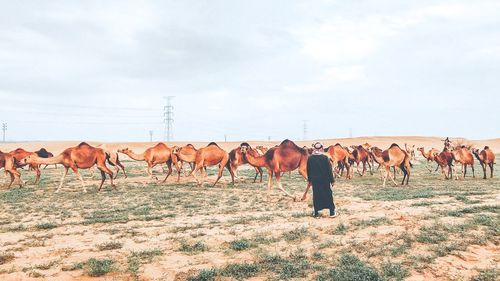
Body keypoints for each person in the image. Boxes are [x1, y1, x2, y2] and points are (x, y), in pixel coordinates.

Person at [301, 142, 337, 218]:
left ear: (314, 148)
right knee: (328, 195)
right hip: (325, 180)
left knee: (316, 196)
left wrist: (310, 180)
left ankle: (316, 213)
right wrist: (332, 180)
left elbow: (309, 170)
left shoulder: (310, 158)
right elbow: (329, 170)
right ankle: (332, 212)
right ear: (321, 148)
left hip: (315, 181)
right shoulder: (325, 158)